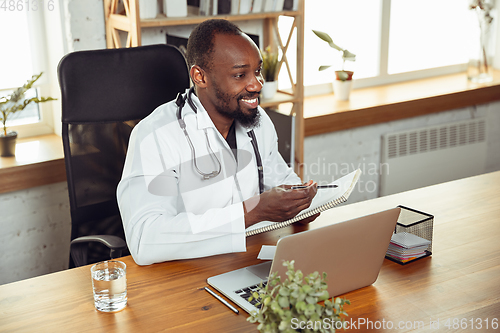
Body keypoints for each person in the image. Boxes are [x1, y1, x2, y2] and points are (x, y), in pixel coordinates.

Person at [117, 19, 318, 265]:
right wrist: (251, 212)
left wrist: (301, 204)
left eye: (257, 71)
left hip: (248, 260)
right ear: (200, 77)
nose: (257, 84)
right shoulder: (155, 135)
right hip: (184, 276)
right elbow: (145, 239)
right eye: (240, 74)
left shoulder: (258, 121)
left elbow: (283, 182)